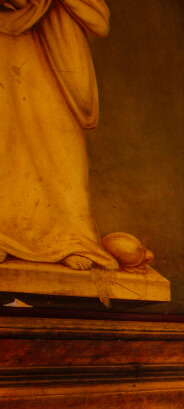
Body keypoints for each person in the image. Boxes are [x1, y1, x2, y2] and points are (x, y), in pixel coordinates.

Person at [0, 0, 119, 271]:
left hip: (53, 46)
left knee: (58, 147)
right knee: (4, 142)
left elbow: (98, 21)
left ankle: (71, 239)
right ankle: (4, 238)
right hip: (4, 45)